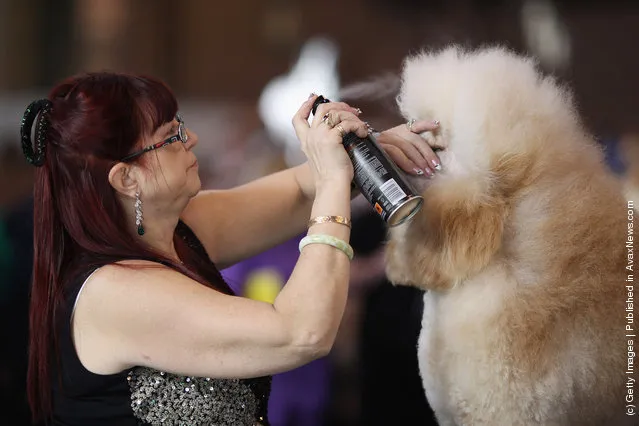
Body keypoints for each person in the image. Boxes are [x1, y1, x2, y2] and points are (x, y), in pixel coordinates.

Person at [22, 72, 441, 426]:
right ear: (125, 179)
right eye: (171, 137)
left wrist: (373, 151)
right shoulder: (113, 293)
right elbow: (300, 334)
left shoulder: (179, 228)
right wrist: (332, 182)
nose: (193, 139)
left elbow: (296, 191)